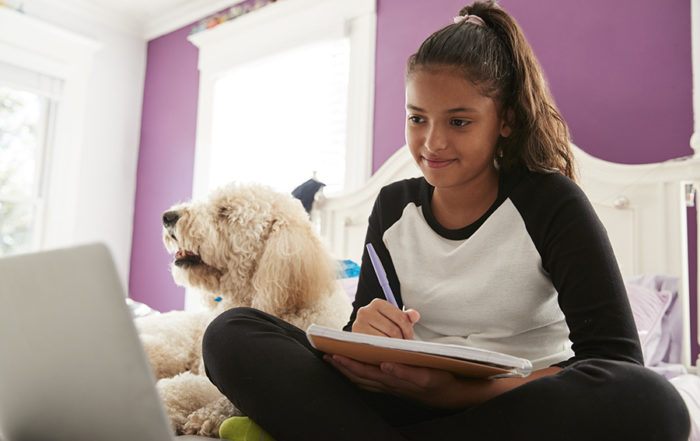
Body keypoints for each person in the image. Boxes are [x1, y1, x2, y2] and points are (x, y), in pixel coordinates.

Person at [202, 2, 691, 440]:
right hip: (398, 397)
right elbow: (363, 340)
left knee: (652, 401)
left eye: (458, 121)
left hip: (513, 409)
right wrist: (364, 333)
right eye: (417, 118)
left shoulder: (551, 202)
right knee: (231, 332)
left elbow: (615, 361)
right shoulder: (393, 207)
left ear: (506, 121)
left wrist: (453, 395)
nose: (432, 143)